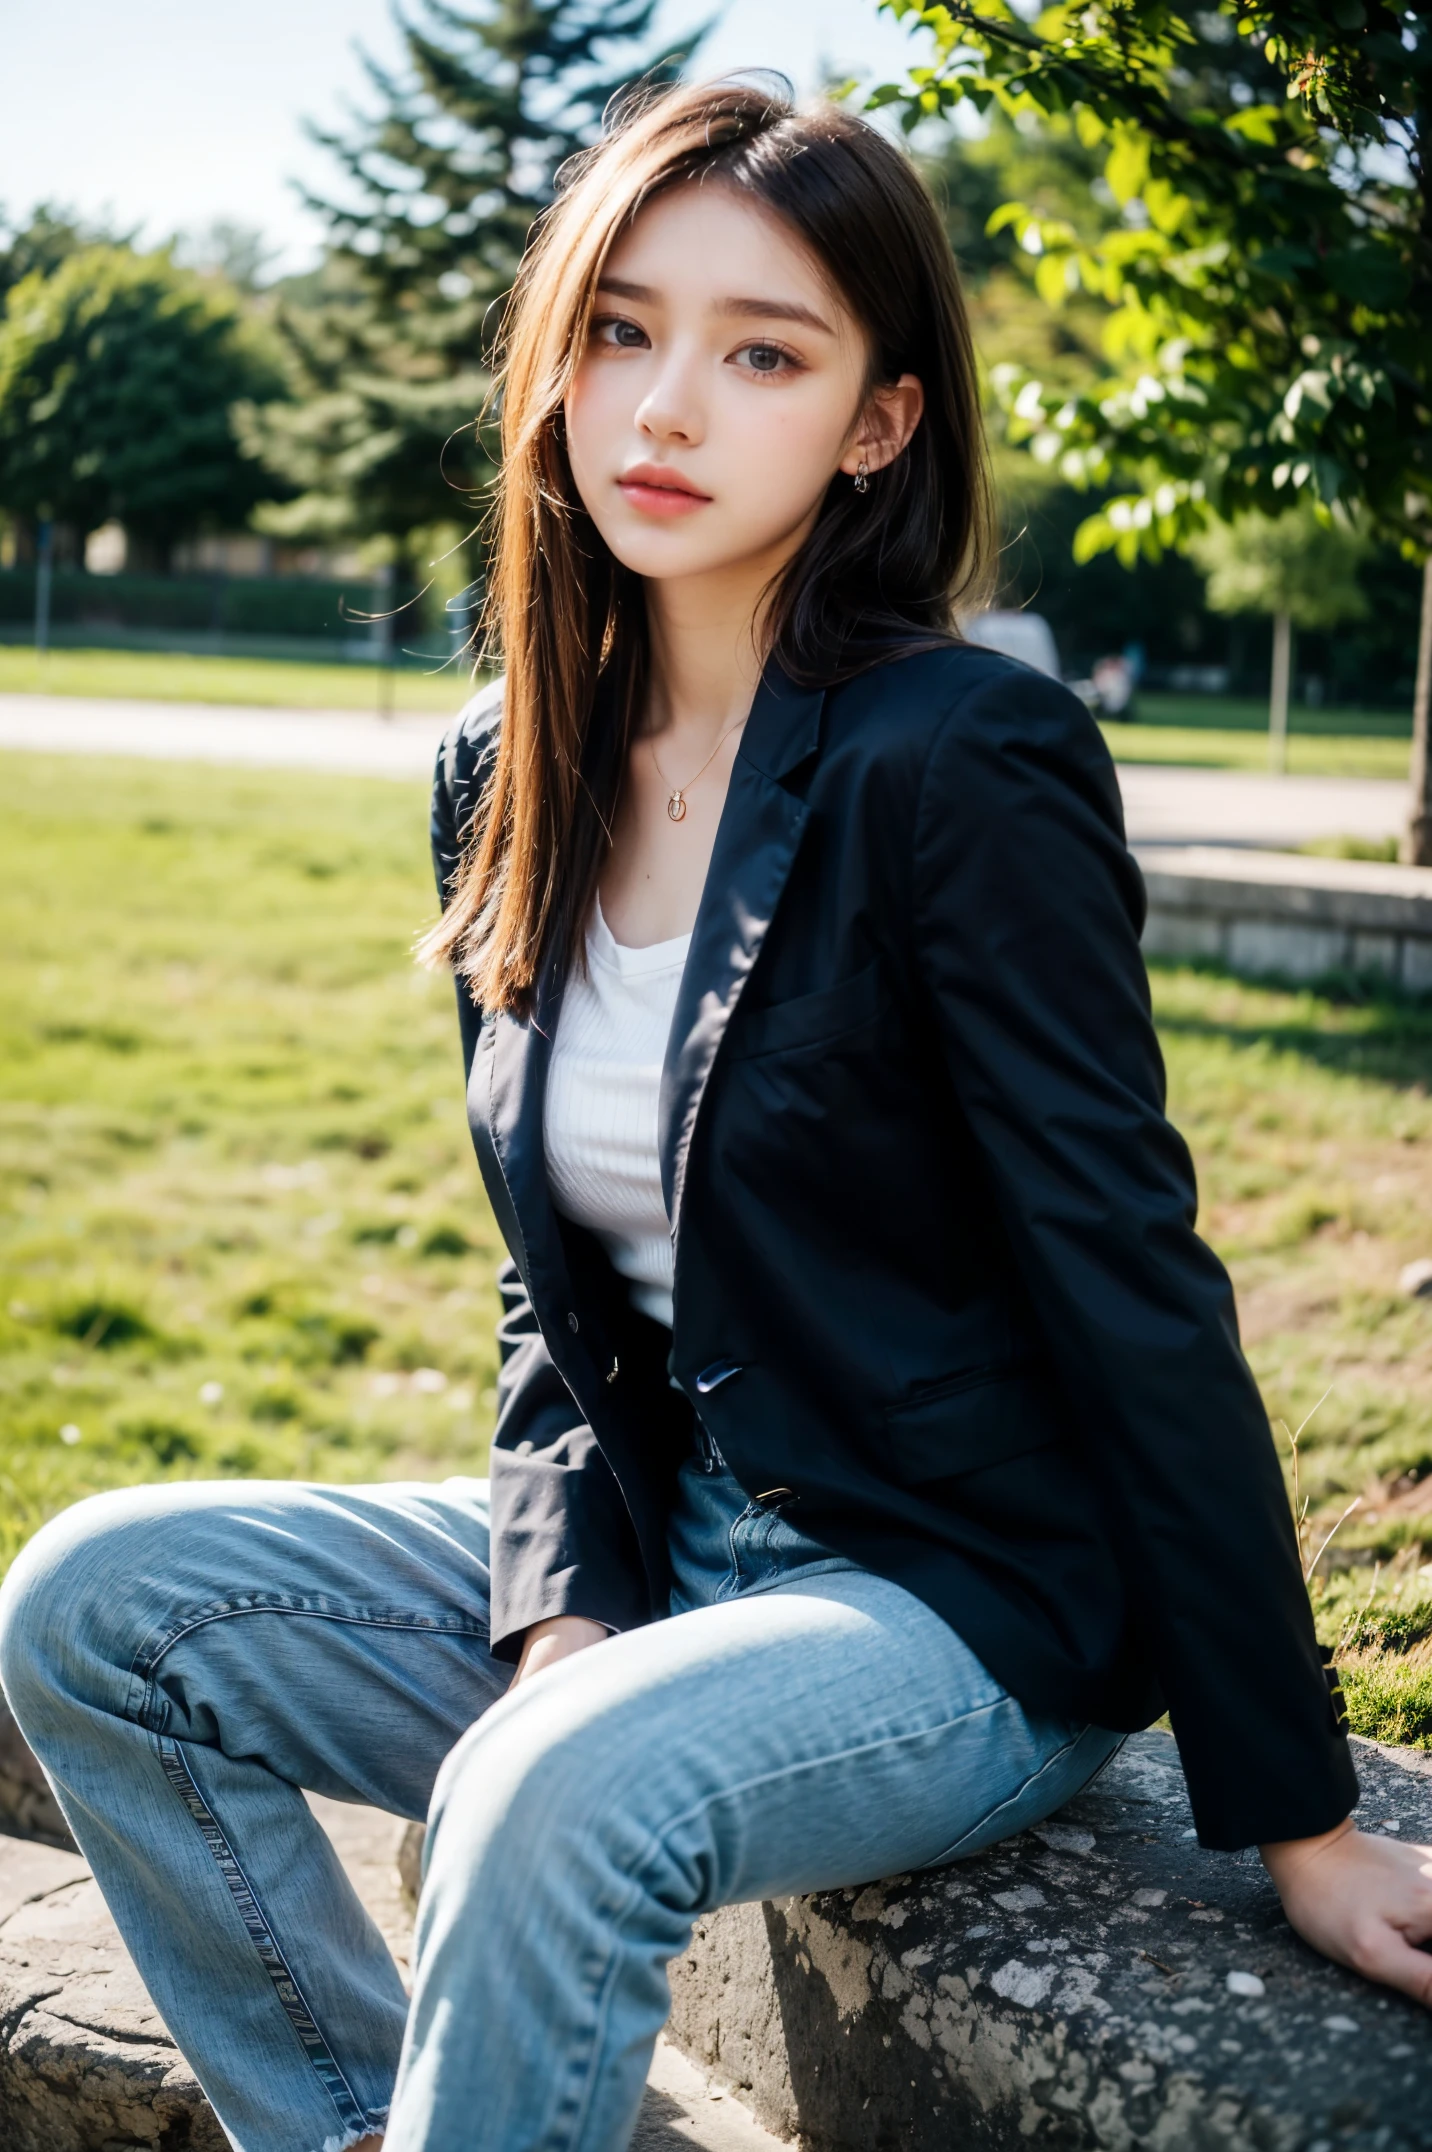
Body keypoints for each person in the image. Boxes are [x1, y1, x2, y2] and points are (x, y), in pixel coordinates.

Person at [2, 76, 1429, 2152]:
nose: (665, 403)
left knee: (554, 1777)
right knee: (93, 1600)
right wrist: (564, 1606)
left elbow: (1129, 1278)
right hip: (673, 1546)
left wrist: (1295, 1810)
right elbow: (552, 1298)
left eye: (762, 352)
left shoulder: (965, 753)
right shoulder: (507, 758)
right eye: (619, 327)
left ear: (876, 421)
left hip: (956, 1599)